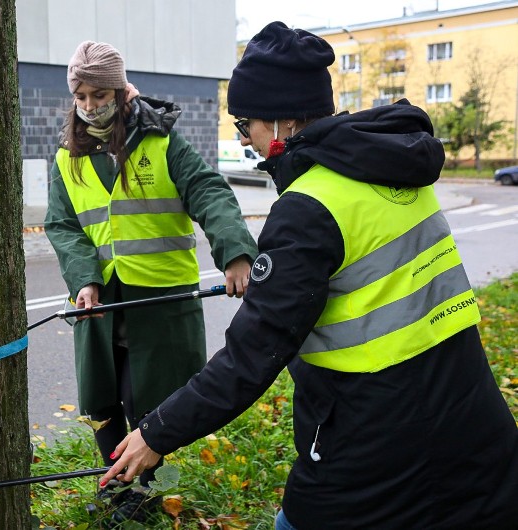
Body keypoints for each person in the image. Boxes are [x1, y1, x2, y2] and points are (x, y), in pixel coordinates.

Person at [100, 21, 518, 529]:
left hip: (376, 441)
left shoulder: (307, 207)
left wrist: (156, 432)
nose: (247, 140)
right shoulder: (390, 165)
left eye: (245, 124)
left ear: (281, 123)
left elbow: (251, 355)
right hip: (471, 418)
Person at [44, 40, 259, 523]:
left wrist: (236, 253)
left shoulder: (161, 141)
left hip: (160, 299)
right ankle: (115, 487)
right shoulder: (66, 158)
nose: (90, 106)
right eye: (81, 96)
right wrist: (84, 278)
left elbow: (210, 193)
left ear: (120, 92)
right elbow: (62, 226)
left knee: (153, 401)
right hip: (98, 301)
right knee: (101, 399)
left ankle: (145, 493)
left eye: (100, 95)